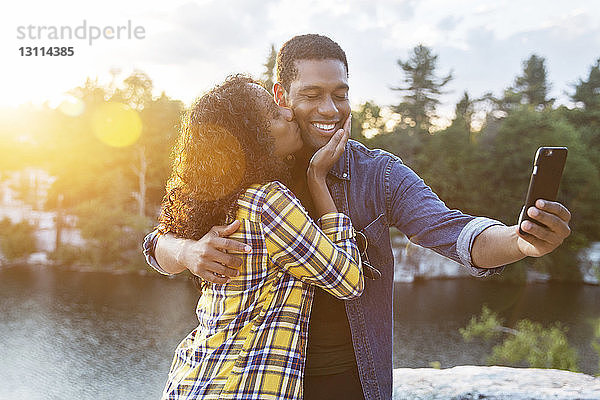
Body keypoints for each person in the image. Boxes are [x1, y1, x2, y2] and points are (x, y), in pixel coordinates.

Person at [144, 35, 572, 400]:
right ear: (281, 97)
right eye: (312, 95)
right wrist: (187, 249)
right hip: (253, 379)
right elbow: (157, 243)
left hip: (347, 381)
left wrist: (520, 241)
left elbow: (453, 231)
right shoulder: (248, 171)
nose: (330, 109)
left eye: (341, 94)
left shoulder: (378, 173)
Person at [153, 75, 364, 400]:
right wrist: (317, 180)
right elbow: (349, 280)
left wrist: (185, 251)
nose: (289, 113)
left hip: (196, 380)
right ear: (250, 138)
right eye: (274, 113)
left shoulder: (221, 198)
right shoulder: (266, 202)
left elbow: (156, 242)